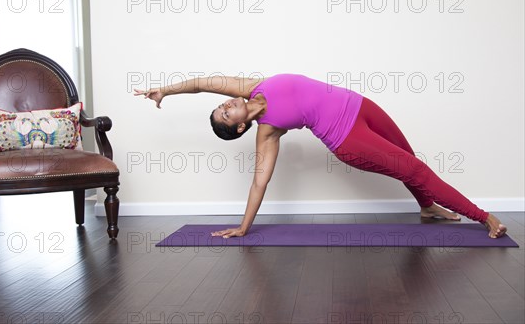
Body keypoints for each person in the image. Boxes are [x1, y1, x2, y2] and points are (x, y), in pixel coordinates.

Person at [134, 73, 507, 239]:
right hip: (348, 138)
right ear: (240, 129)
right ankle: (484, 217)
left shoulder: (251, 86)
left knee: (407, 156)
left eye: (223, 106)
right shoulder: (267, 132)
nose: (228, 104)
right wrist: (244, 226)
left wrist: (165, 90)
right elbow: (259, 182)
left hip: (360, 105)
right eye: (227, 114)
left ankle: (427, 207)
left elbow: (202, 83)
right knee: (414, 168)